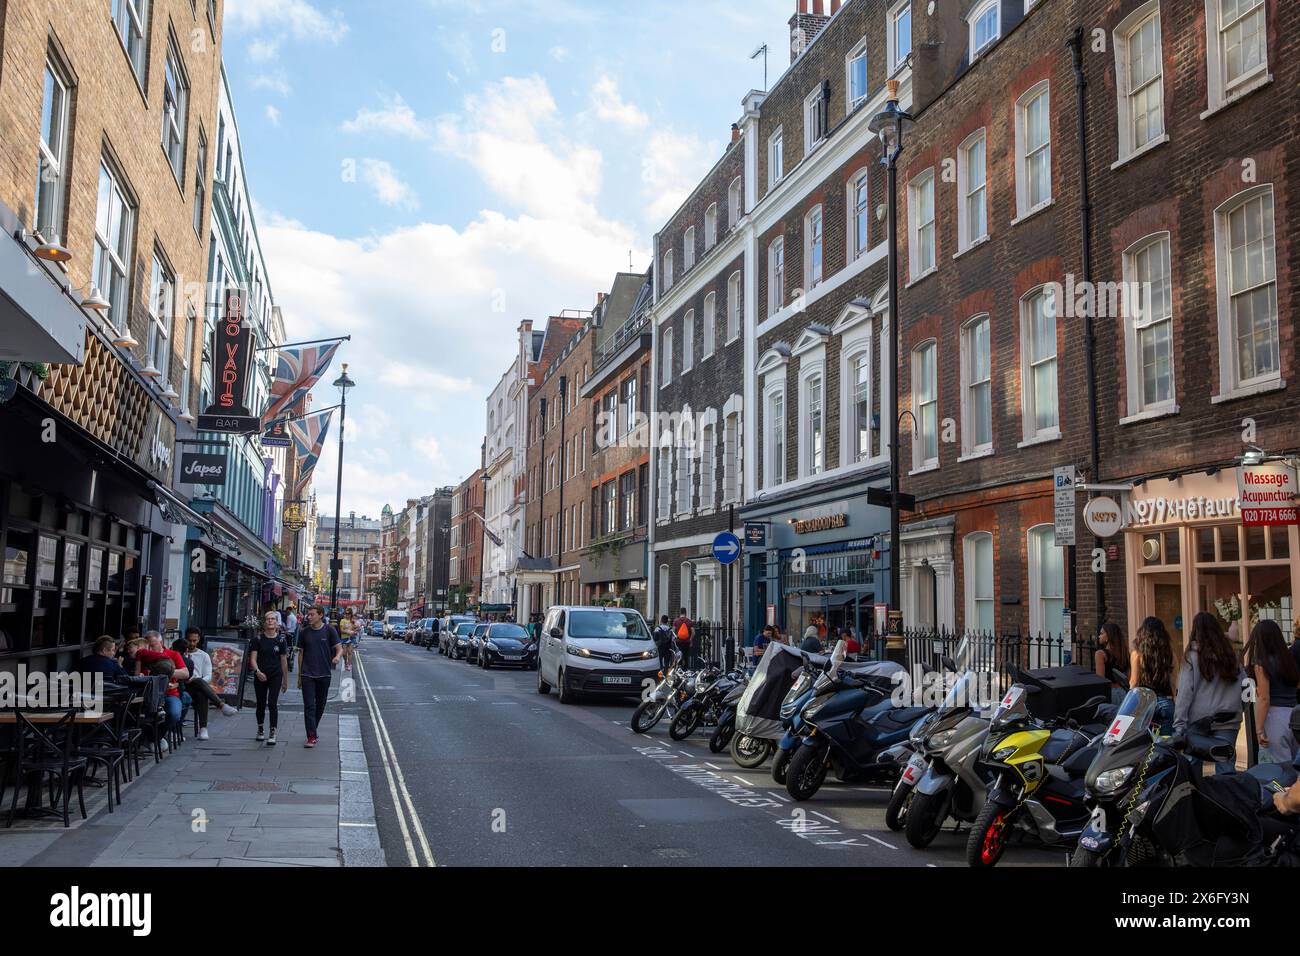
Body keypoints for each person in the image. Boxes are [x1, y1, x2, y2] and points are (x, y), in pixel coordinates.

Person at [1173, 612, 1244, 775]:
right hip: (1228, 719)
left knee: (1192, 770)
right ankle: (1225, 800)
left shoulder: (1191, 657)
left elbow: (1184, 693)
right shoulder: (1231, 657)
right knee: (1226, 770)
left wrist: (1179, 725)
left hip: (1198, 721)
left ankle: (1197, 800)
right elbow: (1245, 688)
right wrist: (1240, 709)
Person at [1246, 619, 1298, 765]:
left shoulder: (1262, 664)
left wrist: (1259, 729)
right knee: (1296, 767)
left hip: (1275, 716)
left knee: (1280, 769)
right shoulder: (1290, 660)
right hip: (1295, 714)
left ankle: (1281, 790)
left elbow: (1264, 699)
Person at [134, 631, 190, 748]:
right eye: (148, 645)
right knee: (141, 714)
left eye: (153, 645)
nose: (150, 648)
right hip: (147, 694)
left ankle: (157, 737)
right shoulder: (143, 656)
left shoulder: (172, 654)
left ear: (161, 642)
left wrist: (166, 672)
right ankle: (151, 738)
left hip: (169, 694)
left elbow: (185, 673)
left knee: (174, 713)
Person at [297, 605, 342, 748]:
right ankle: (311, 736)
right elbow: (301, 654)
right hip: (307, 674)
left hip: (324, 674)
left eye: (311, 615)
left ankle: (313, 729)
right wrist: (299, 675)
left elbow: (339, 648)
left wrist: (337, 657)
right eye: (308, 614)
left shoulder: (329, 630)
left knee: (320, 705)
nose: (308, 617)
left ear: (320, 615)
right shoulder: (304, 632)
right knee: (309, 706)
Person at [182, 628, 238, 740]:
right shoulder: (180, 653)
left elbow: (208, 676)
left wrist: (196, 679)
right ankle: (221, 705)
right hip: (182, 685)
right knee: (200, 685)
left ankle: (203, 728)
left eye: (194, 641)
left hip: (196, 686)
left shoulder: (203, 655)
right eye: (190, 640)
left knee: (201, 689)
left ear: (198, 640)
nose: (192, 643)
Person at [249, 611, 290, 746]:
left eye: (273, 619)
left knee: (272, 703)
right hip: (261, 675)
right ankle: (260, 729)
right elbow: (252, 659)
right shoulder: (257, 640)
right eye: (268, 619)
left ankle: (273, 732)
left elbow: (284, 661)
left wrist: (285, 680)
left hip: (275, 675)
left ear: (277, 622)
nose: (270, 621)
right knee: (260, 703)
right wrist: (257, 671)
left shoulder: (282, 640)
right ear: (264, 622)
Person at [1130, 617, 1177, 735]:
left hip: (1145, 704)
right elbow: (1174, 683)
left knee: (1143, 745)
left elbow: (1134, 682)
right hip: (1166, 703)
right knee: (1165, 745)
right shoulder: (1170, 655)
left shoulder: (1137, 654)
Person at [1094, 622, 1130, 705]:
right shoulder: (1125, 654)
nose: (1099, 636)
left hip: (1111, 692)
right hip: (1125, 693)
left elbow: (1101, 680)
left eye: (1101, 633)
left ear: (1108, 636)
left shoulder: (1100, 654)